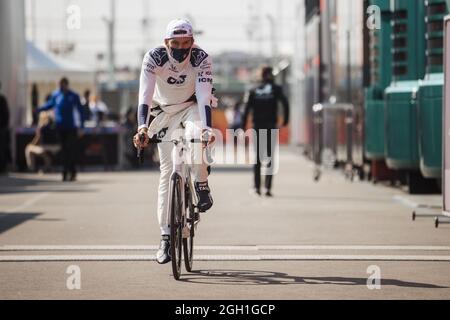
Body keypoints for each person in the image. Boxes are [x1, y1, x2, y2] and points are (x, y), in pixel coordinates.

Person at [133, 19, 215, 265]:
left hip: (191, 107)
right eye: (175, 43)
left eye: (186, 43)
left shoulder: (201, 58)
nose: (180, 48)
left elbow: (204, 95)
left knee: (195, 136)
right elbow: (145, 95)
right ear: (165, 43)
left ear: (193, 42)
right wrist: (142, 127)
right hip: (164, 111)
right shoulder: (154, 58)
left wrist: (207, 129)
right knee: (167, 172)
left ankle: (201, 184)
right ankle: (166, 236)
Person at [242, 66, 290, 197]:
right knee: (270, 158)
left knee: (257, 158)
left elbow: (246, 109)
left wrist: (243, 125)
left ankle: (257, 188)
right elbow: (285, 104)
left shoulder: (253, 89)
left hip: (258, 126)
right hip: (271, 125)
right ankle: (268, 188)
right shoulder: (276, 89)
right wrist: (285, 120)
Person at [37, 77, 85, 181]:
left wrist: (81, 127)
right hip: (60, 127)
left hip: (71, 127)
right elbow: (49, 105)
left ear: (66, 85)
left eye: (62, 85)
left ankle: (67, 171)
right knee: (64, 150)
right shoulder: (56, 95)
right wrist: (39, 109)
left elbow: (81, 111)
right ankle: (69, 171)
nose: (60, 87)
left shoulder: (73, 96)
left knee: (70, 149)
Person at [0, 81, 11, 173]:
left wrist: (4, 127)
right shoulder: (2, 99)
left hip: (1, 129)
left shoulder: (2, 99)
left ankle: (2, 168)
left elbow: (6, 115)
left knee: (2, 149)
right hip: (2, 128)